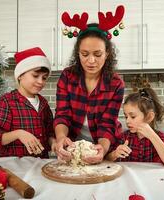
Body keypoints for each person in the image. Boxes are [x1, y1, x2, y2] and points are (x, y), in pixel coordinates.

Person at [54, 23, 125, 164]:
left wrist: (102, 150)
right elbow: (62, 114)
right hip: (73, 146)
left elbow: (108, 123)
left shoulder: (115, 84)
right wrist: (61, 138)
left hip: (105, 146)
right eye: (85, 54)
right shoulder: (67, 76)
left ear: (107, 54)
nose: (91, 61)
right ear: (78, 54)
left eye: (98, 54)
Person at [0, 47, 56, 158]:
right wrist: (19, 134)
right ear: (20, 75)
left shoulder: (43, 103)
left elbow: (50, 132)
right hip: (14, 167)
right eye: (35, 76)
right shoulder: (6, 102)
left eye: (44, 78)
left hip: (40, 165)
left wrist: (54, 143)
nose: (40, 81)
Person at [106, 86, 164, 168]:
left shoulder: (159, 137)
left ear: (149, 117)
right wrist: (115, 154)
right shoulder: (124, 137)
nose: (127, 121)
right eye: (126, 117)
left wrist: (152, 136)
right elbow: (106, 160)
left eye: (133, 116)